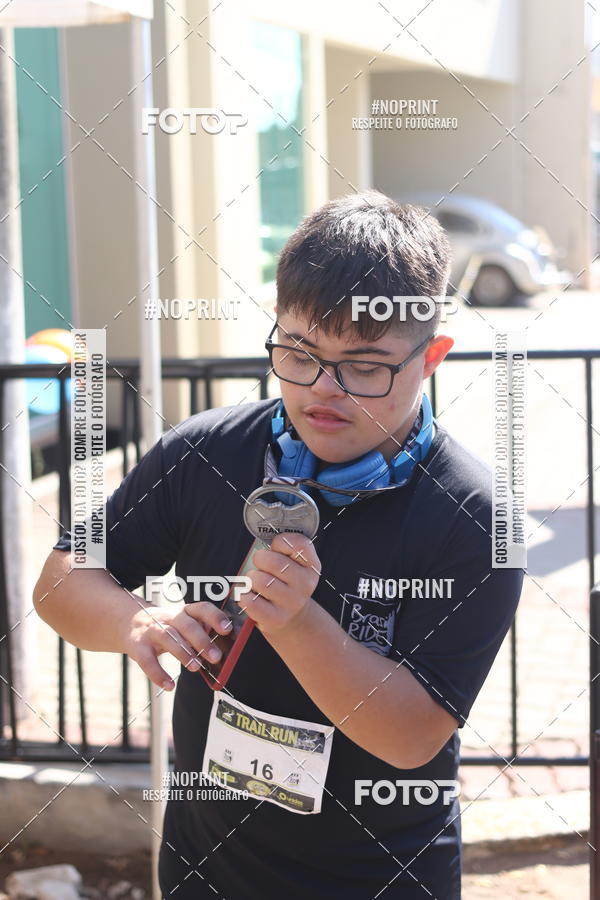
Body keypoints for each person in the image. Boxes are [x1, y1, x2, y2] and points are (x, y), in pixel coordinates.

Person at [34, 191, 523, 899]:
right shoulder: (202, 453)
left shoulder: (473, 515)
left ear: (432, 358)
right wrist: (133, 620)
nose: (324, 390)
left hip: (379, 879)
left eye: (364, 366)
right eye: (298, 352)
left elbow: (411, 737)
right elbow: (60, 582)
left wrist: (296, 622)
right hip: (205, 870)